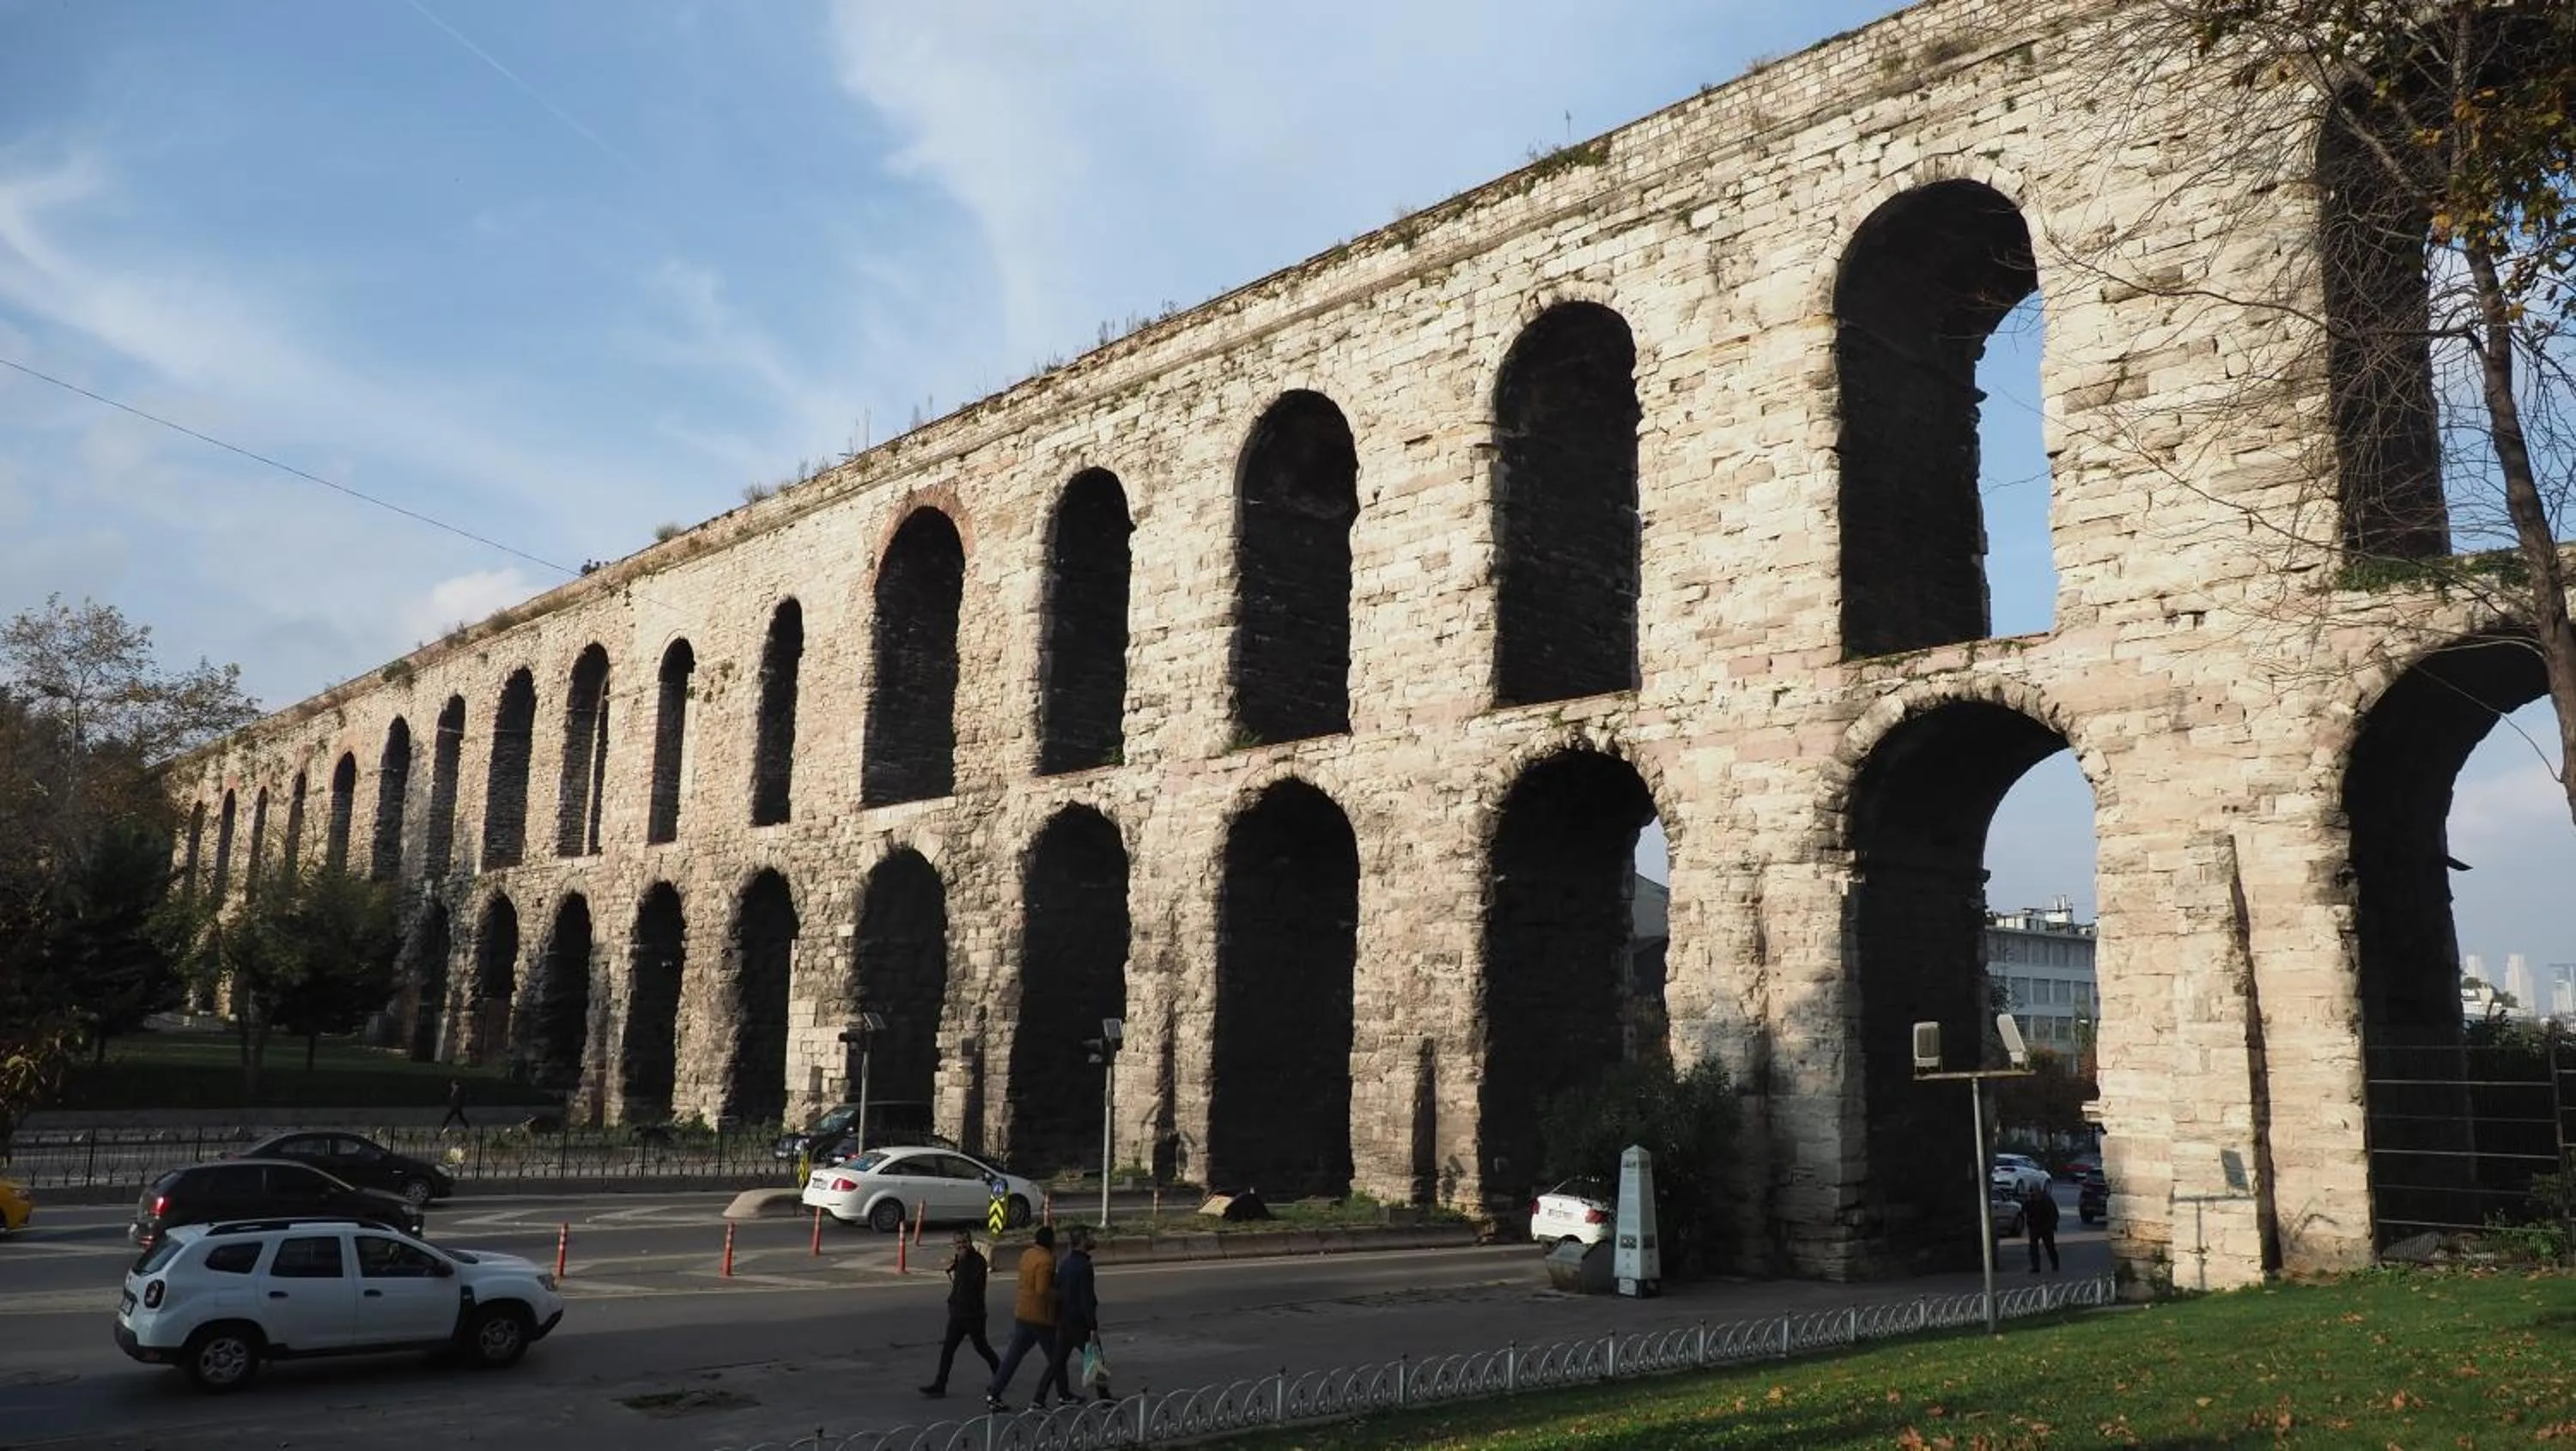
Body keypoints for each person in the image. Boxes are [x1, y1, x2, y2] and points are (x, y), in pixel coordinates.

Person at [983, 1224, 1056, 1413]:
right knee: (1057, 1359)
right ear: (1051, 1242)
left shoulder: (1027, 1255)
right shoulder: (1046, 1260)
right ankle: (1060, 1395)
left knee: (1012, 1358)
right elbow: (1042, 1290)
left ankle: (994, 1393)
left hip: (1023, 1313)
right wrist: (1060, 1294)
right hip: (1040, 1318)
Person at [920, 1229, 999, 1398]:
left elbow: (973, 1286)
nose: (961, 1246)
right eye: (958, 1243)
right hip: (958, 1314)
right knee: (948, 1349)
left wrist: (960, 1263)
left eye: (964, 1242)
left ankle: (1000, 1376)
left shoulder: (978, 1262)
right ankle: (940, 1385)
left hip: (973, 1315)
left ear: (970, 1242)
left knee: (982, 1347)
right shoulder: (960, 1260)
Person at [1039, 1223, 1103, 1405]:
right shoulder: (1084, 1266)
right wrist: (1093, 1327)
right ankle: (1105, 1400)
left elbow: (1058, 1291)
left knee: (1057, 1362)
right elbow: (1087, 1300)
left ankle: (1039, 1398)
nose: (1093, 1239)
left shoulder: (1065, 1263)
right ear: (1082, 1241)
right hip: (1079, 1323)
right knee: (1095, 1357)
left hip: (1064, 1321)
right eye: (1089, 1236)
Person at [2024, 1181, 2061, 1273]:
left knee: (2050, 1247)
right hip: (2034, 1227)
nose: (2034, 1195)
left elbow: (2054, 1214)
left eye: (2035, 1192)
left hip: (2046, 1227)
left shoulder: (2047, 1200)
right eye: (2032, 1192)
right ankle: (2036, 1267)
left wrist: (2052, 1226)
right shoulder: (2030, 1201)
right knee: (2033, 1248)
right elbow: (2024, 1210)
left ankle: (2055, 1265)